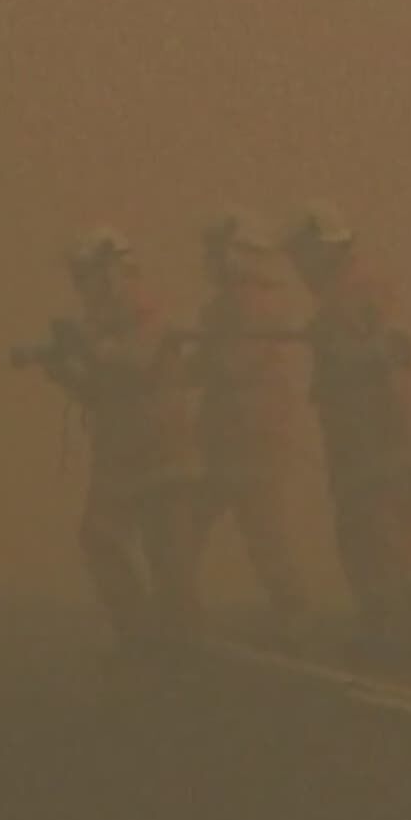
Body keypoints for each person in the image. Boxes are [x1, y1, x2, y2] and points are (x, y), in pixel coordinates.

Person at [24, 227, 205, 660]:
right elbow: (101, 391)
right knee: (99, 538)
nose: (80, 286)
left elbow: (134, 364)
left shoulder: (148, 314)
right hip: (120, 459)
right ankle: (142, 635)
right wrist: (64, 373)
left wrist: (85, 346)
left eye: (85, 275)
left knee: (169, 561)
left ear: (111, 273)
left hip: (163, 455)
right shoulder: (102, 326)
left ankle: (185, 651)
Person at [282, 201, 411, 668]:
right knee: (363, 538)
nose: (298, 267)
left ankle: (405, 638)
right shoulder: (343, 294)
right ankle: (386, 632)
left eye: (302, 254)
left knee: (383, 538)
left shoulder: (361, 290)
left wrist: (335, 345)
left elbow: (389, 350)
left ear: (324, 249)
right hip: (361, 442)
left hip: (382, 439)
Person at [184, 209, 313, 649]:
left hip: (252, 438)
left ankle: (293, 613)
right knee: (195, 525)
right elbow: (207, 365)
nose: (209, 260)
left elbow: (230, 364)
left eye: (216, 251)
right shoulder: (227, 306)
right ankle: (177, 609)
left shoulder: (257, 306)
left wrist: (165, 365)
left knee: (260, 529)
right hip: (224, 436)